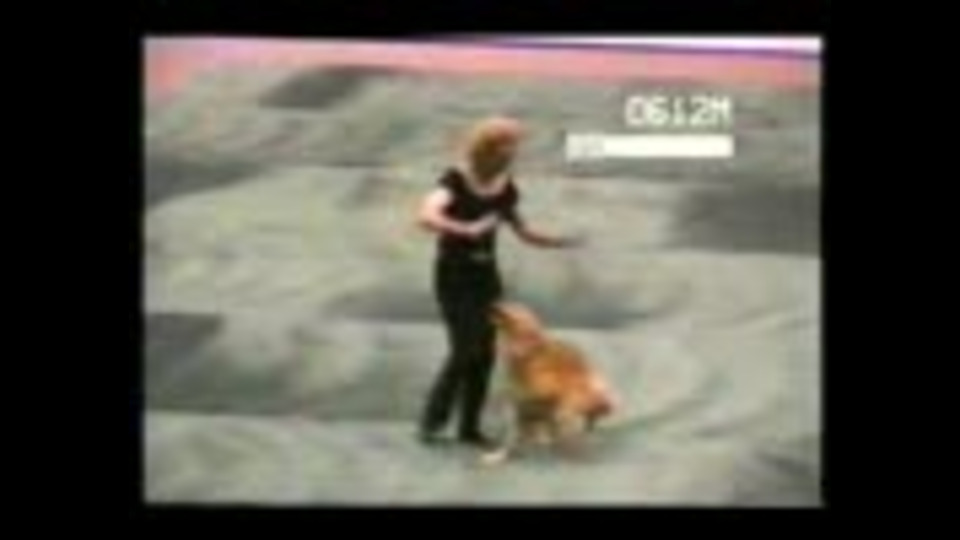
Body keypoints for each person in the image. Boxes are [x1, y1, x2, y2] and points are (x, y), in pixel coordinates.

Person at [415, 116, 582, 447]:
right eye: (508, 145)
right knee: (465, 348)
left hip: (486, 278)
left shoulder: (504, 188)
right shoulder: (455, 180)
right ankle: (432, 419)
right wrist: (464, 228)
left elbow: (524, 232)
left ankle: (469, 428)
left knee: (485, 355)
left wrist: (557, 240)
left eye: (514, 146)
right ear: (488, 148)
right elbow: (426, 215)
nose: (513, 152)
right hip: (454, 276)